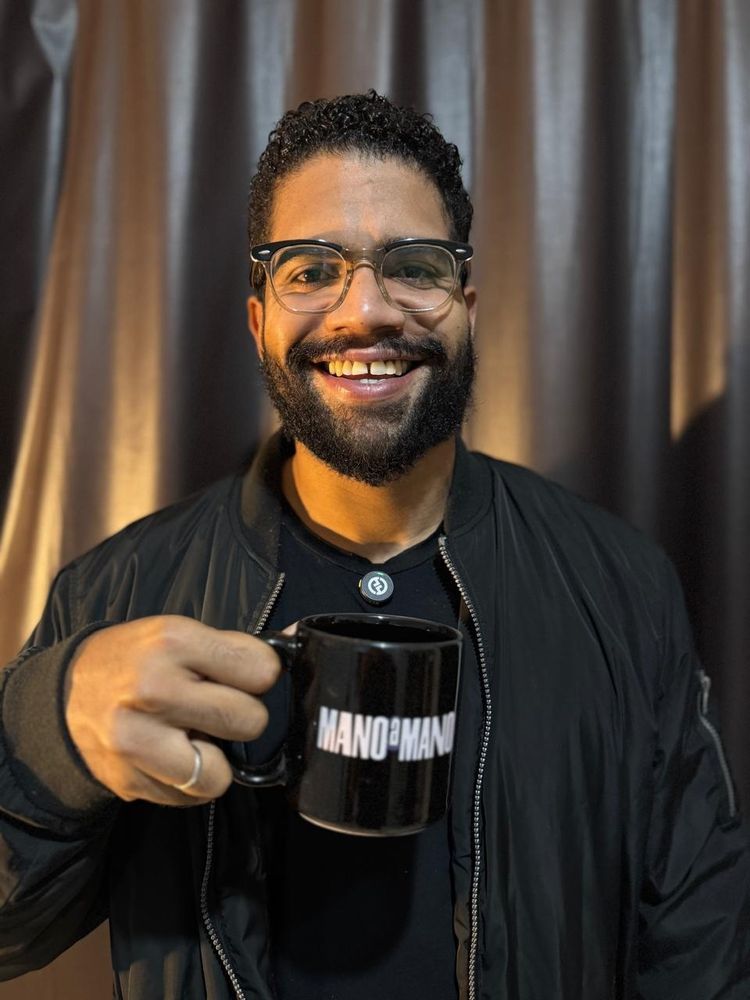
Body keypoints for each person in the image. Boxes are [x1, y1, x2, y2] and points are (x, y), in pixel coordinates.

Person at [0, 91, 748, 1000]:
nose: (366, 310)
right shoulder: (120, 592)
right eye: (311, 270)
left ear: (466, 306)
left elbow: (700, 944)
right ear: (258, 320)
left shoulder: (623, 586)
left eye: (415, 266)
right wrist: (47, 741)